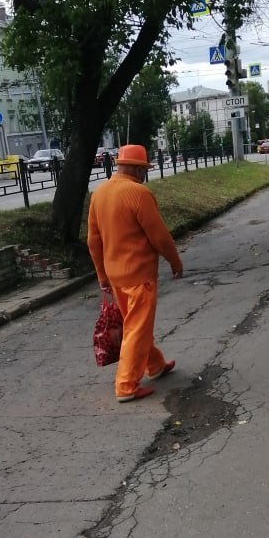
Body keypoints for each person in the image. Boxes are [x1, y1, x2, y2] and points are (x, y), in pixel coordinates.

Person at [87, 143, 183, 403]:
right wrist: (175, 262)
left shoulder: (99, 193)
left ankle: (156, 366)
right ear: (137, 168)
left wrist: (101, 276)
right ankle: (126, 386)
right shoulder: (139, 193)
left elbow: (93, 241)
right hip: (139, 276)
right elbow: (159, 237)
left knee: (135, 326)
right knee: (137, 330)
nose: (144, 175)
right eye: (144, 169)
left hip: (115, 276)